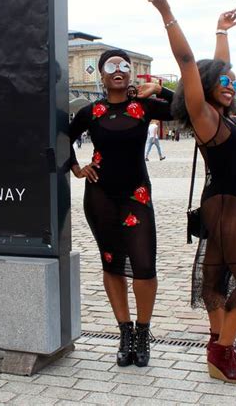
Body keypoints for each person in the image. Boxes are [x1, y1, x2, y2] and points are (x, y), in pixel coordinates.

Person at [145, 0, 236, 385]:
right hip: (227, 204)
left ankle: (221, 349)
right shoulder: (206, 118)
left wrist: (222, 31)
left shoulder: (222, 114)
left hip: (226, 202)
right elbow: (190, 62)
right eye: (225, 82)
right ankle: (221, 350)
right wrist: (167, 14)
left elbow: (216, 67)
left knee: (215, 280)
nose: (232, 85)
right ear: (208, 89)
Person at [69, 48, 174, 367]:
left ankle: (143, 333)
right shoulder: (91, 112)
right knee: (111, 263)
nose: (119, 69)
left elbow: (187, 108)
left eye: (124, 66)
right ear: (101, 74)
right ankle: (124, 333)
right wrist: (75, 167)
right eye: (111, 66)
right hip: (99, 197)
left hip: (136, 195)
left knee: (144, 265)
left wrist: (159, 88)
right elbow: (60, 139)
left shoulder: (143, 106)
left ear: (130, 74)